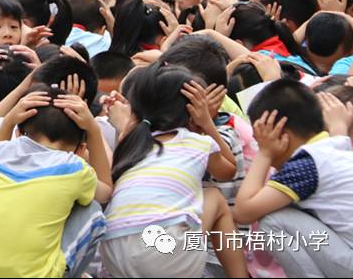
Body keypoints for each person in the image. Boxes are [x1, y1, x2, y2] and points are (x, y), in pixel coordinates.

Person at [0, 83, 111, 278]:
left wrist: (8, 121)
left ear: (19, 133)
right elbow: (105, 191)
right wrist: (94, 130)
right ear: (81, 149)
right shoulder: (74, 167)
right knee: (93, 211)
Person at [100, 63, 247, 277]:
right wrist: (206, 122)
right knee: (214, 196)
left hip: (113, 252)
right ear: (192, 109)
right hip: (166, 253)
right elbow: (229, 170)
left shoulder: (133, 145)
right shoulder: (197, 142)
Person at [234, 80, 353, 277]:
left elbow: (244, 212)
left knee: (273, 220)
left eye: (261, 139)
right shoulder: (335, 146)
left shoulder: (307, 163)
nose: (260, 146)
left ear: (281, 134)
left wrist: (265, 153)